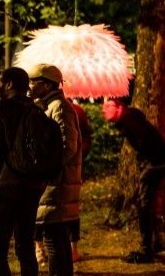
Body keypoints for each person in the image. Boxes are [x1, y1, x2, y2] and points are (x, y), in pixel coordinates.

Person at [0, 67, 57, 276]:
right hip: (31, 188)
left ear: (9, 85)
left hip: (3, 190)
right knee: (25, 246)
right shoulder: (37, 111)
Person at [102, 98, 165, 264]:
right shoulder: (129, 119)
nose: (103, 109)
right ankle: (153, 243)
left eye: (108, 106)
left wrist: (144, 163)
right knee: (144, 203)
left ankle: (146, 249)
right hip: (159, 161)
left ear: (119, 107)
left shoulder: (130, 120)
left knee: (143, 204)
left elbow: (144, 141)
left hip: (156, 163)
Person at [27, 64, 81, 276]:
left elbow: (68, 146)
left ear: (47, 84)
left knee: (53, 239)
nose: (30, 85)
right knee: (55, 239)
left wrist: (44, 169)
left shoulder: (59, 107)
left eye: (34, 81)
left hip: (57, 183)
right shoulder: (48, 105)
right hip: (55, 181)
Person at [67, 102, 92, 262]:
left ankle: (72, 248)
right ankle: (72, 249)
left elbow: (86, 138)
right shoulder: (77, 111)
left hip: (68, 169)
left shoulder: (76, 111)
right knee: (70, 209)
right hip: (71, 167)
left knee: (69, 208)